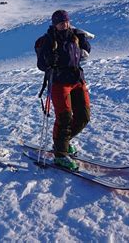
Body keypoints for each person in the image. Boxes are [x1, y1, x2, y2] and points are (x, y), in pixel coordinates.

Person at [36, 10, 91, 170]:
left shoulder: (74, 35)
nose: (64, 25)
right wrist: (48, 61)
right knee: (65, 117)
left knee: (83, 116)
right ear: (55, 24)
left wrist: (84, 41)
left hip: (77, 80)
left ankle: (62, 143)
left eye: (66, 21)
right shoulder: (48, 40)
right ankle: (60, 154)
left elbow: (84, 54)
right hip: (60, 82)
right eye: (61, 22)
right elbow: (41, 64)